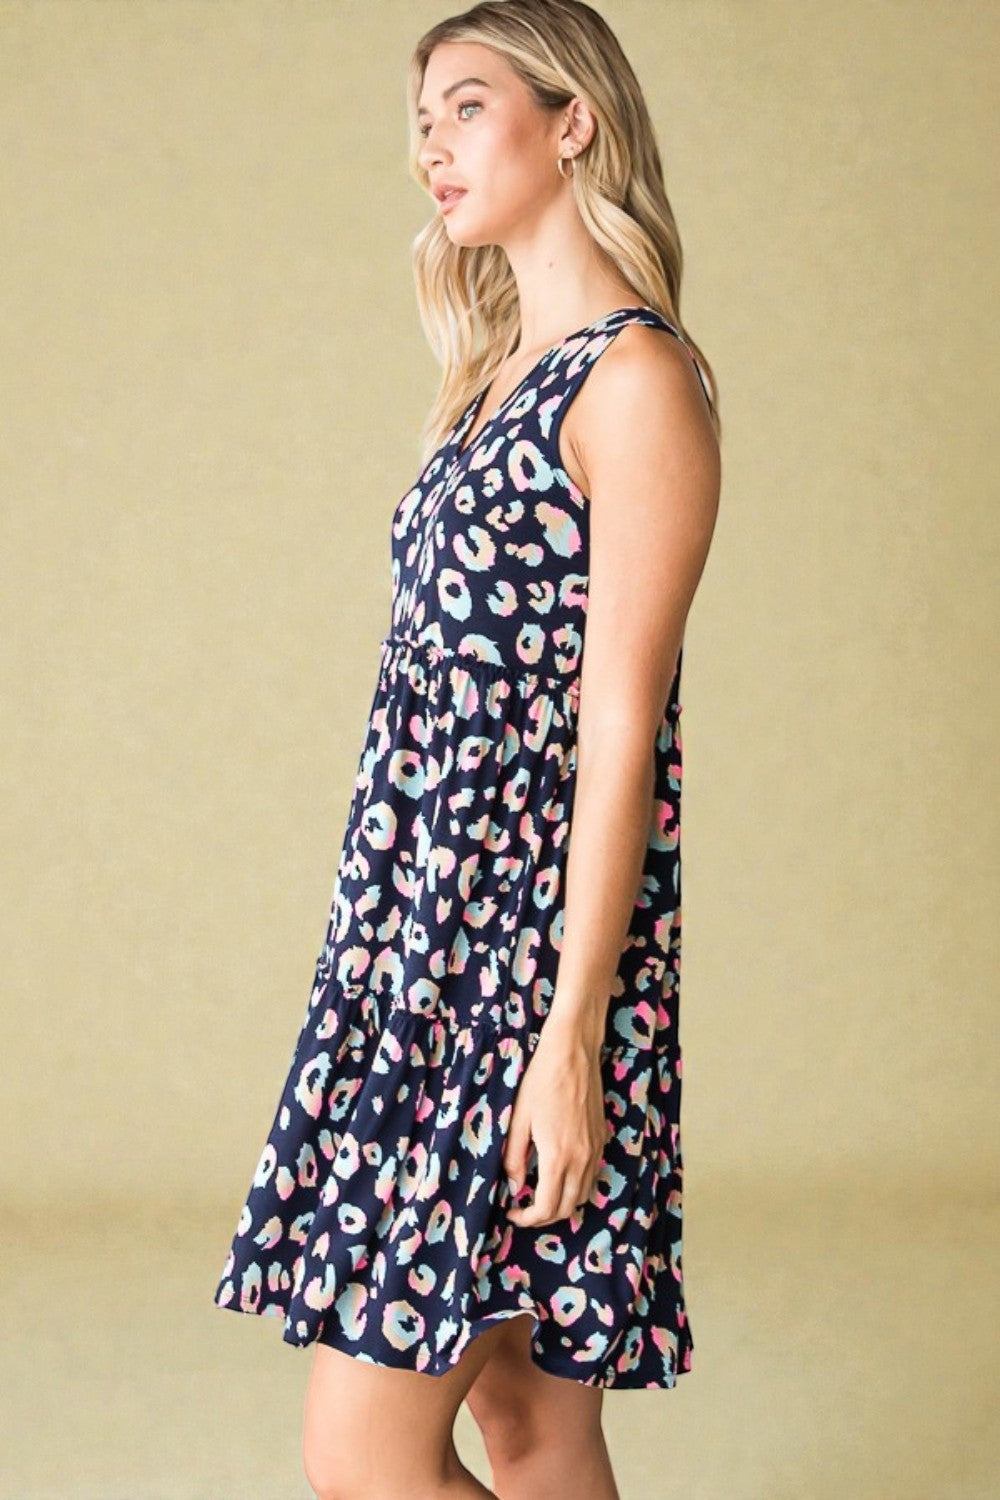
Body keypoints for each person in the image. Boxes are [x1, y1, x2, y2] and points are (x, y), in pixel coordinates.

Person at [213, 2, 721, 1495]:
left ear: (574, 122)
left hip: (519, 973)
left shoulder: (633, 383)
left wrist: (569, 1045)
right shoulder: (495, 378)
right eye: (420, 118)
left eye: (468, 106)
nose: (429, 145)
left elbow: (619, 734)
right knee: (533, 1419)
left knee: (364, 1458)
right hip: (420, 949)